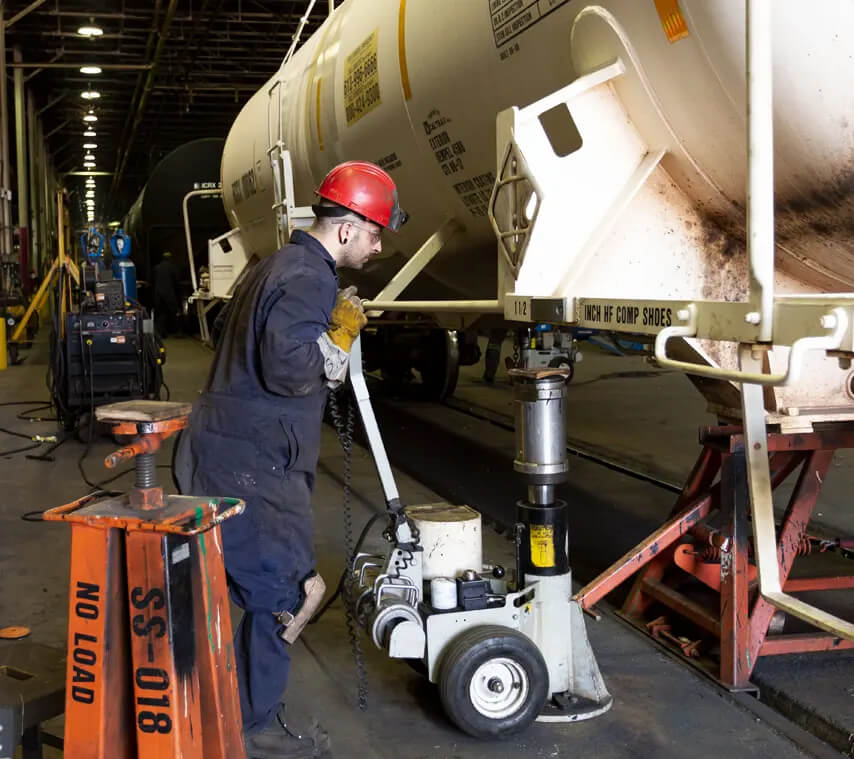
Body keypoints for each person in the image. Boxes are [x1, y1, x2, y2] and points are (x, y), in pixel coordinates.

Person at [174, 161, 407, 759]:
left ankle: (235, 709)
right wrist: (339, 339)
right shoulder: (308, 277)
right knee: (281, 592)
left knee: (271, 584)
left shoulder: (277, 264)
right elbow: (291, 372)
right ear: (348, 227)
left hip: (232, 448)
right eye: (376, 232)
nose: (379, 245)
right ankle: (255, 734)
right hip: (252, 460)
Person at [153, 250, 181, 337]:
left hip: (158, 294)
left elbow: (152, 280)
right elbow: (177, 282)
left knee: (161, 314)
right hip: (169, 294)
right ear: (170, 258)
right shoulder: (172, 268)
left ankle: (161, 333)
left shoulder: (156, 268)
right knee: (174, 313)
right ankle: (177, 332)